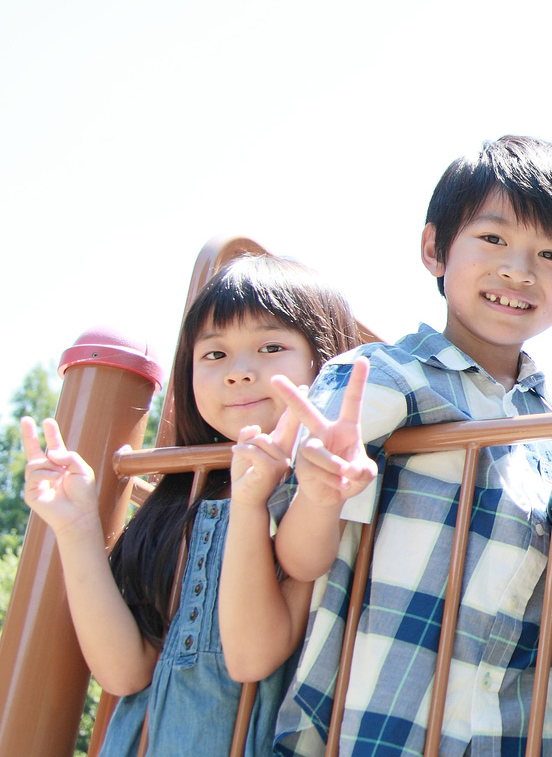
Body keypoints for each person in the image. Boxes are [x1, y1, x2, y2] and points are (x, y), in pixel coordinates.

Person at [265, 135, 552, 756]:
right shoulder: (387, 377)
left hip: (527, 734)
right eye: (493, 239)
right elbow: (298, 552)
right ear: (434, 249)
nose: (517, 270)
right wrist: (318, 489)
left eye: (549, 255)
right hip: (381, 725)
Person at [19, 254, 365, 757]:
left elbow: (249, 658)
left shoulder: (312, 491)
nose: (240, 372)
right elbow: (125, 670)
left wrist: (250, 505)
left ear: (325, 362)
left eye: (271, 347)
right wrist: (75, 528)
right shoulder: (184, 496)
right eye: (214, 354)